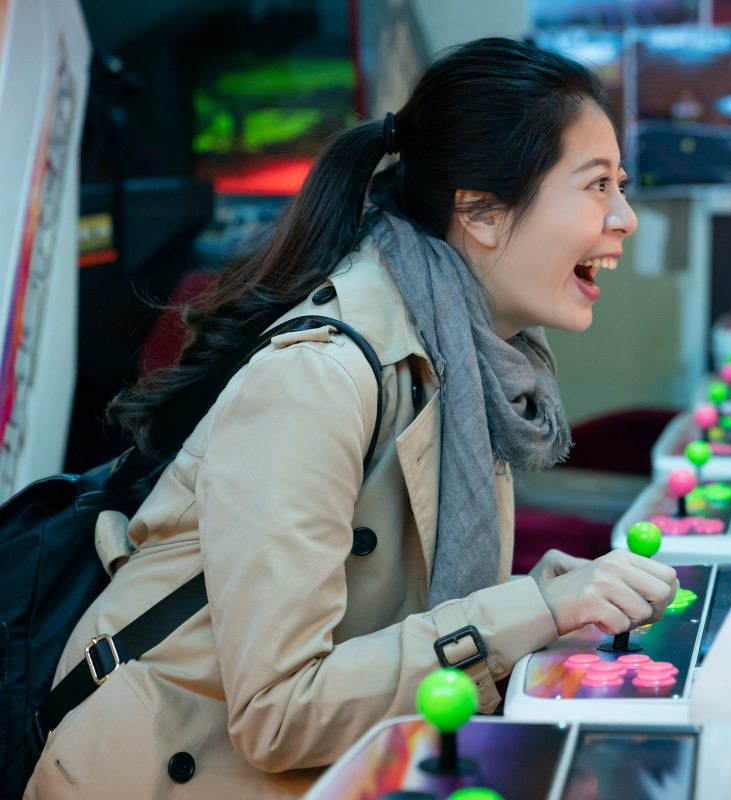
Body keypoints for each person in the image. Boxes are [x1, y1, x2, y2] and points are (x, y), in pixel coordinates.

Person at [25, 37, 679, 798]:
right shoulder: (319, 378)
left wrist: (542, 604)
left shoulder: (467, 358)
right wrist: (526, 611)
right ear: (483, 212)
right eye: (597, 186)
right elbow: (278, 714)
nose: (624, 218)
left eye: (620, 186)